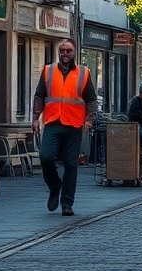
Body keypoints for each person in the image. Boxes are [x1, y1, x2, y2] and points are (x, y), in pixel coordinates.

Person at [31, 39, 97, 217]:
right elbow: (39, 96)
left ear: (75, 52)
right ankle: (54, 186)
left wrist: (89, 120)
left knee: (70, 164)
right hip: (53, 122)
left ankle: (67, 203)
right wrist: (36, 118)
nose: (65, 54)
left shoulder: (83, 73)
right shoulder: (48, 71)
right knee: (45, 157)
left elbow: (91, 100)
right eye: (62, 51)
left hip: (74, 125)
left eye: (68, 51)